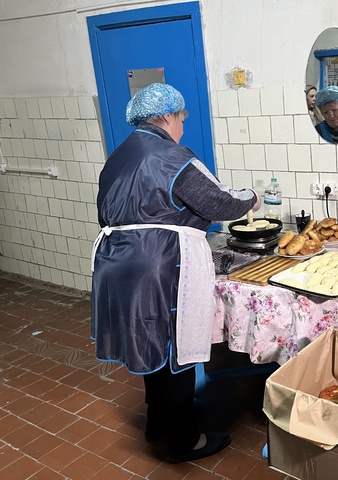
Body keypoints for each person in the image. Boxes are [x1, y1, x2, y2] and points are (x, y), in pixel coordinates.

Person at [90, 83, 261, 464]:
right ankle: (185, 440)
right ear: (167, 116)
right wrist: (252, 197)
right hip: (159, 264)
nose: (183, 126)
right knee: (175, 349)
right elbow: (220, 202)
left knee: (151, 344)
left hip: (117, 262)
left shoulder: (118, 156)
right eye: (182, 118)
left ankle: (157, 423)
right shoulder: (173, 156)